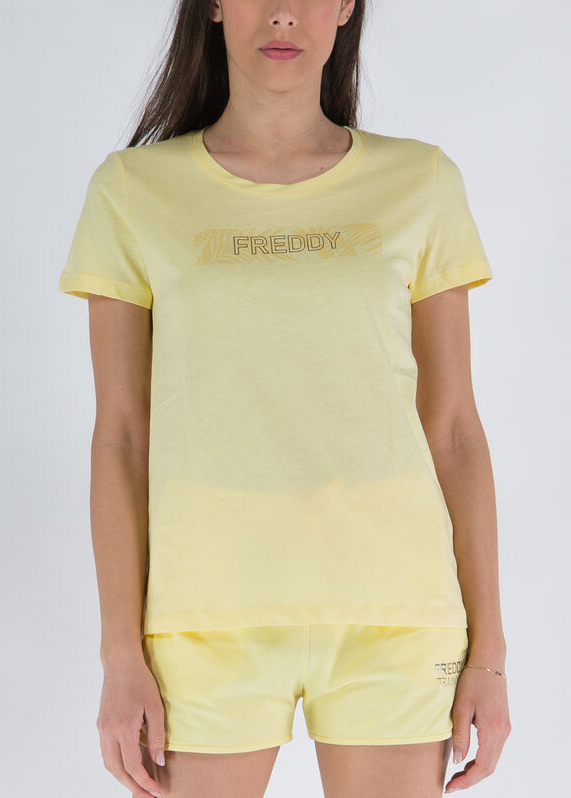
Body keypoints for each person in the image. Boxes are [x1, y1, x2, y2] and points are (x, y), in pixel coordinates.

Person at [58, 1, 511, 796]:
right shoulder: (132, 190)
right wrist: (120, 654)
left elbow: (454, 432)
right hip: (202, 617)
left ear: (345, 7)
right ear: (214, 6)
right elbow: (122, 437)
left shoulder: (422, 181)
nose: (282, 15)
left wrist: (490, 656)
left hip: (397, 609)